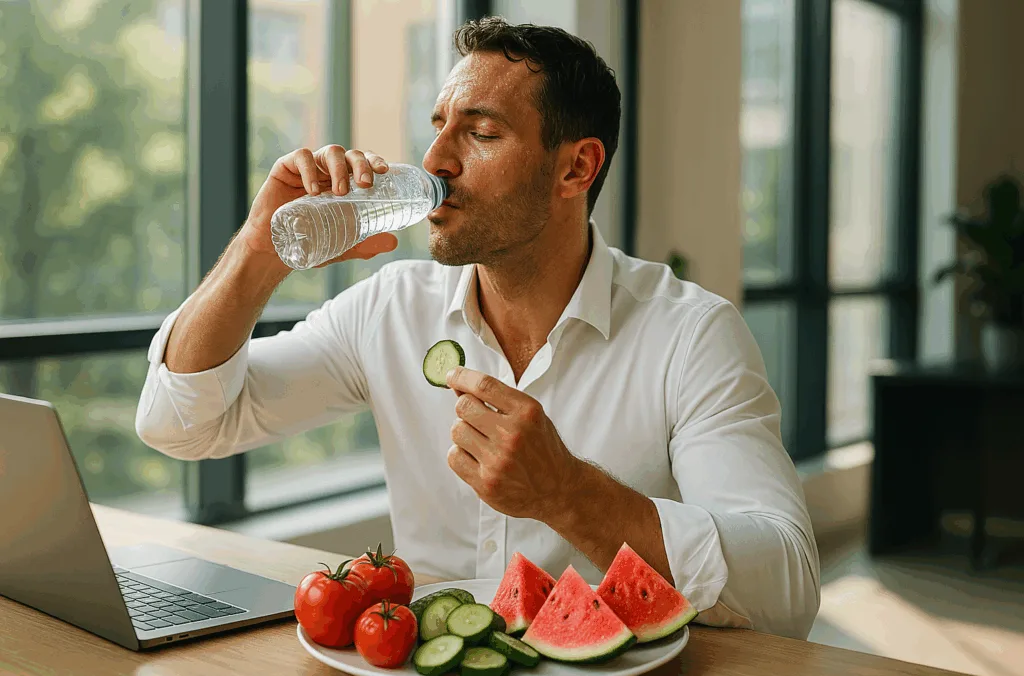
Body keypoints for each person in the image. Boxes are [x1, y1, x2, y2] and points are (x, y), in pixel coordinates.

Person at [136, 18, 820, 639]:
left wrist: (568, 493)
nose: (434, 160)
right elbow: (180, 422)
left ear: (575, 167)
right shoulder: (390, 309)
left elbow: (787, 585)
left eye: (482, 133)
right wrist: (258, 252)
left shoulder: (692, 333)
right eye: (436, 124)